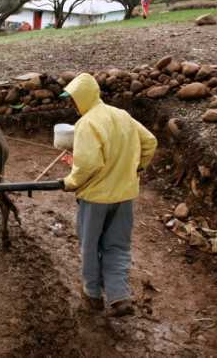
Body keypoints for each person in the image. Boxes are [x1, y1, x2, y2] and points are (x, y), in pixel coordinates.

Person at [60, 73, 157, 317]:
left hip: (95, 199)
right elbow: (150, 142)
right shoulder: (122, 115)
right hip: (124, 196)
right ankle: (119, 296)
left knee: (90, 245)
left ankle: (92, 295)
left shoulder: (87, 123)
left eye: (72, 99)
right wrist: (137, 167)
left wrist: (70, 181)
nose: (71, 104)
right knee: (118, 246)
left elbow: (89, 163)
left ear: (81, 98)